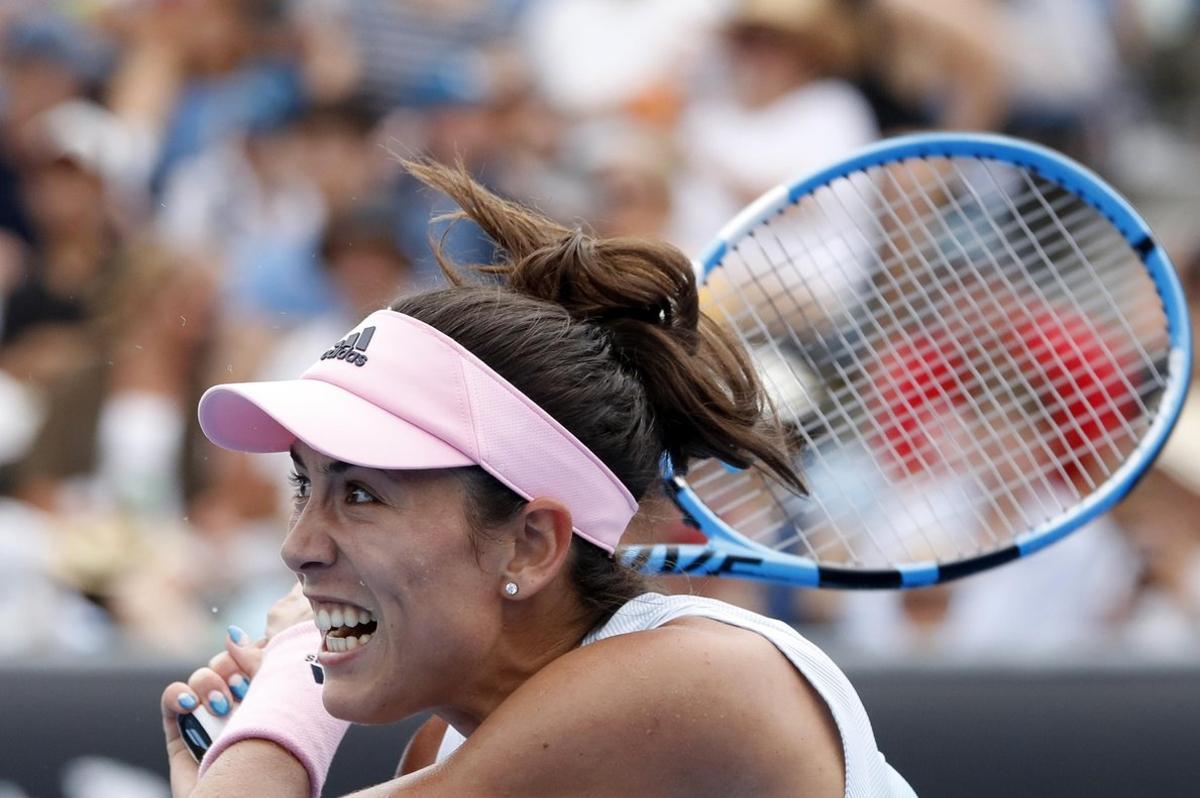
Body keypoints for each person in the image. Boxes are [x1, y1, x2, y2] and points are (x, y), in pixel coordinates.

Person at [159, 160, 917, 797]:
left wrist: (292, 690)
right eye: (305, 487)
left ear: (530, 543)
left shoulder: (698, 678)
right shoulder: (443, 754)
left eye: (360, 493)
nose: (299, 547)